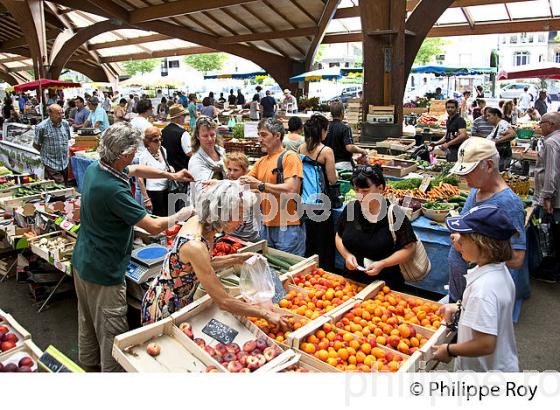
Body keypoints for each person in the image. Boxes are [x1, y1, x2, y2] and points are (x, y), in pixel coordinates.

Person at [72, 122, 194, 372]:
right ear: (122, 155)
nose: (133, 157)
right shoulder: (113, 190)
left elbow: (136, 169)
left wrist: (172, 175)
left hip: (84, 260)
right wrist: (181, 214)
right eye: (131, 153)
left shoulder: (100, 167)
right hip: (104, 270)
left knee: (88, 320)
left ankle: (89, 366)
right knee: (110, 328)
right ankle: (112, 374)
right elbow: (152, 226)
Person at [141, 181, 291, 326]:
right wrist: (266, 314)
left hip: (182, 300)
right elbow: (223, 301)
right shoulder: (195, 244)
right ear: (222, 213)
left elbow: (204, 264)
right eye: (238, 215)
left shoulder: (203, 225)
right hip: (164, 306)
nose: (241, 221)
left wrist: (239, 258)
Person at [432, 205, 519, 372]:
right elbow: (493, 310)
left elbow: (485, 344)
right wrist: (460, 307)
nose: (457, 240)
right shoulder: (498, 270)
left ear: (484, 245)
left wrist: (449, 350)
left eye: (464, 237)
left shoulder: (483, 289)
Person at [446, 137, 526, 304]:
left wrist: (470, 248)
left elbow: (517, 258)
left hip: (480, 297)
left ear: (489, 166)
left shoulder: (509, 203)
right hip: (463, 292)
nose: (464, 177)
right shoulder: (476, 190)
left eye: (469, 171)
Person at [335, 165, 417, 289]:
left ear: (380, 188)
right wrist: (347, 255)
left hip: (385, 287)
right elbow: (338, 236)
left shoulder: (394, 214)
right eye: (357, 190)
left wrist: (383, 263)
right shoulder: (352, 209)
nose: (360, 195)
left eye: (365, 191)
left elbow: (409, 248)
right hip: (351, 284)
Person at [239, 118, 305, 256]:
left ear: (277, 136)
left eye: (264, 135)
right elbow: (243, 183)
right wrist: (219, 184)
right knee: (269, 269)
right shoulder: (262, 161)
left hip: (288, 227)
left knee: (289, 271)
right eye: (259, 135)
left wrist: (260, 185)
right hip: (266, 225)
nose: (259, 139)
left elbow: (291, 189)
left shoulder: (290, 157)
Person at [298, 114, 338, 271]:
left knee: (309, 239)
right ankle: (324, 270)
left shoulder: (301, 147)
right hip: (321, 204)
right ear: (322, 131)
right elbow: (332, 180)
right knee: (323, 241)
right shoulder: (326, 151)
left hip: (304, 200)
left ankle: (307, 270)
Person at [532, 112, 560, 282]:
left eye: (541, 123)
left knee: (553, 233)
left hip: (555, 198)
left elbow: (551, 172)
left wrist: (547, 197)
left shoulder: (551, 142)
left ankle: (554, 271)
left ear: (550, 124)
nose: (539, 126)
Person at [224, 152, 260, 243]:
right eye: (229, 169)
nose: (231, 173)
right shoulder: (226, 185)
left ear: (245, 172)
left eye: (236, 170)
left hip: (249, 238)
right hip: (230, 235)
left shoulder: (252, 187)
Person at [33, 104, 71, 185]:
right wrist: (45, 154)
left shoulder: (65, 124)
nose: (61, 116)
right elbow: (35, 144)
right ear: (50, 114)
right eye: (58, 113)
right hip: (50, 163)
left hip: (64, 162)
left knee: (66, 187)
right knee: (60, 188)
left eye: (62, 113)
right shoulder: (42, 127)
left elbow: (67, 140)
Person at [325, 101, 368, 171]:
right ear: (342, 112)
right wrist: (362, 151)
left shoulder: (325, 127)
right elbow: (349, 147)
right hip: (342, 165)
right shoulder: (345, 128)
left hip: (327, 164)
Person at [188, 116, 226, 191]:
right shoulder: (196, 161)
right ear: (197, 136)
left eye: (212, 135)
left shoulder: (221, 151)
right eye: (205, 136)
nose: (210, 139)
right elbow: (202, 189)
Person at [139, 127, 170, 217]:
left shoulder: (163, 150)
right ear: (148, 142)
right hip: (154, 191)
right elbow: (140, 179)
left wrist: (170, 168)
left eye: (160, 139)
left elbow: (164, 167)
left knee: (169, 216)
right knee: (159, 217)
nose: (159, 142)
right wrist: (146, 199)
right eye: (155, 140)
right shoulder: (144, 156)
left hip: (167, 188)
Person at [162, 104, 192, 173]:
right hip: (182, 171)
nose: (185, 117)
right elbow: (189, 153)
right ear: (178, 117)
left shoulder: (163, 131)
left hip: (168, 171)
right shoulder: (183, 133)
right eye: (184, 115)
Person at [485, 107, 516, 171]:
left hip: (502, 157)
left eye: (489, 115)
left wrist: (497, 141)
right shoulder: (497, 125)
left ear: (496, 115)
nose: (487, 118)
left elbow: (513, 134)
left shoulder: (502, 124)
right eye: (486, 116)